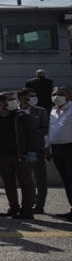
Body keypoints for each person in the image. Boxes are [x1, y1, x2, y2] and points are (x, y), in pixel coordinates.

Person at [0, 91, 38, 219]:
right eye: (10, 99)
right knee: (8, 183)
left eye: (13, 98)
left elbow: (31, 134)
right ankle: (13, 207)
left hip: (21, 155)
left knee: (26, 182)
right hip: (2, 156)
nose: (13, 101)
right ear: (0, 103)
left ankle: (27, 210)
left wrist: (31, 151)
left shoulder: (21, 116)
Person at [19, 89, 49, 214]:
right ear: (22, 98)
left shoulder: (40, 111)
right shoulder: (15, 112)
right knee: (25, 179)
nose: (34, 98)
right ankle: (27, 203)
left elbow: (46, 128)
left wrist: (30, 133)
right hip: (20, 150)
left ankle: (39, 205)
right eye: (30, 96)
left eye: (34, 96)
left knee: (40, 178)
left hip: (37, 149)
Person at [48, 86, 72, 219]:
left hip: (70, 147)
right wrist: (47, 145)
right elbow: (52, 129)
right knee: (66, 180)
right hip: (57, 149)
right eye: (54, 94)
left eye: (60, 94)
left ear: (69, 97)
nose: (56, 96)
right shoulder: (54, 111)